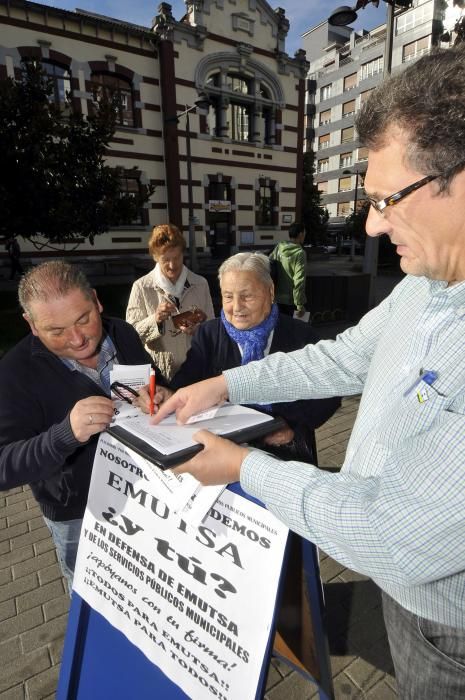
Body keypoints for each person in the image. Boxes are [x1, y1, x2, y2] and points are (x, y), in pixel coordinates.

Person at [154, 47, 465, 699]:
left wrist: (241, 469)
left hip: (445, 625)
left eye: (386, 198)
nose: (373, 225)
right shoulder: (430, 277)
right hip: (403, 587)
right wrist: (226, 384)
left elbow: (391, 534)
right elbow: (346, 356)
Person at [0, 261, 165, 594]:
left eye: (83, 319)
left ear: (96, 301)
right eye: (56, 331)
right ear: (31, 325)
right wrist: (64, 435)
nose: (77, 339)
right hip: (78, 514)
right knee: (92, 601)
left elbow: (152, 383)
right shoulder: (14, 373)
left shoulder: (123, 333)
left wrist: (159, 393)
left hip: (145, 495)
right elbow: (4, 465)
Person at [171, 251, 340, 462]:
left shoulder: (301, 335)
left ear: (270, 292)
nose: (237, 307)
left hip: (285, 454)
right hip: (222, 453)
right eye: (228, 296)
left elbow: (330, 393)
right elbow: (184, 384)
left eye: (247, 296)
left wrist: (293, 426)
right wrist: (164, 392)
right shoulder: (209, 334)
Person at [126, 223, 214, 381]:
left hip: (196, 371)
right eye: (166, 260)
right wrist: (155, 320)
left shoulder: (200, 284)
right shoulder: (142, 287)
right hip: (161, 375)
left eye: (177, 258)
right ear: (155, 257)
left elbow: (213, 330)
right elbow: (130, 337)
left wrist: (197, 330)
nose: (172, 266)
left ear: (183, 254)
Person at [269, 222, 307, 317]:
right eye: (304, 233)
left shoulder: (279, 247)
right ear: (300, 234)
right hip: (291, 301)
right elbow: (299, 281)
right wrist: (299, 305)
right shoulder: (300, 253)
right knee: (295, 328)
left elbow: (269, 265)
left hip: (276, 299)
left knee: (280, 328)